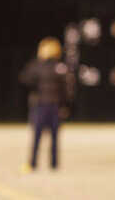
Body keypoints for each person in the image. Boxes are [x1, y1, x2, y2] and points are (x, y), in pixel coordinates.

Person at [19, 36, 73, 172]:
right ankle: (32, 163)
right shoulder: (36, 65)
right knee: (37, 135)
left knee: (55, 136)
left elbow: (67, 87)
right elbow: (26, 80)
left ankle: (54, 164)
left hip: (55, 105)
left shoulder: (60, 66)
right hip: (40, 104)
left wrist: (64, 105)